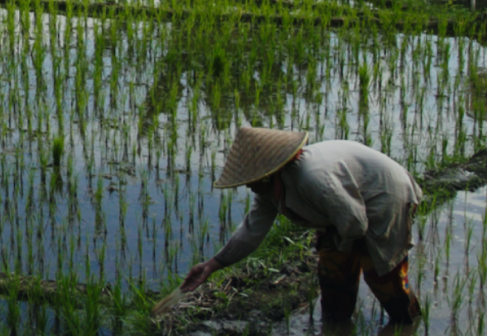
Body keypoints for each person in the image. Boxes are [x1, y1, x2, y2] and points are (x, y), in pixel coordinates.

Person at [181, 127, 423, 325]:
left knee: (384, 280)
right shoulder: (269, 189)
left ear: (270, 173)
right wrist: (212, 265)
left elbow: (356, 223)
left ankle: (411, 323)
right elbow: (251, 231)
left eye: (252, 181)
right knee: (333, 282)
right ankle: (336, 326)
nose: (249, 187)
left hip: (384, 199)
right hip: (346, 214)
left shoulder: (312, 178)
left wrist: (346, 248)